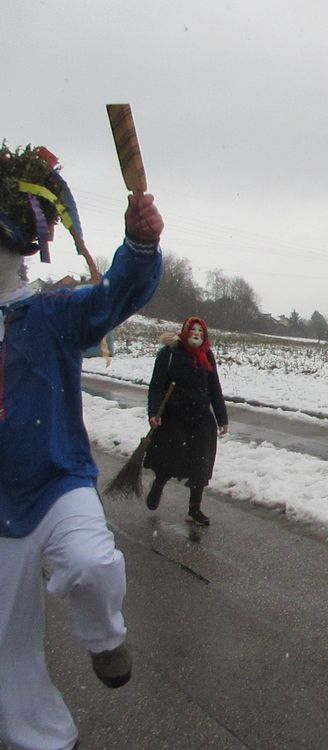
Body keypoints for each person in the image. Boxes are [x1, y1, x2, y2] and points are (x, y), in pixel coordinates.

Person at [0, 143, 163, 750]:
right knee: (4, 647)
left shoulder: (50, 316)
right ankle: (41, 740)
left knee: (93, 566)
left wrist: (139, 245)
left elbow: (114, 294)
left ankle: (104, 639)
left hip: (59, 480)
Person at [143, 316, 229, 526]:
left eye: (201, 331)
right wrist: (154, 413)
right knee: (170, 458)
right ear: (185, 332)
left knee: (201, 463)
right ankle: (159, 483)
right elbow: (156, 386)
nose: (197, 334)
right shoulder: (168, 354)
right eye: (193, 330)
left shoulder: (207, 355)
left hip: (201, 418)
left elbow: (214, 388)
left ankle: (194, 509)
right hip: (174, 418)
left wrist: (222, 418)